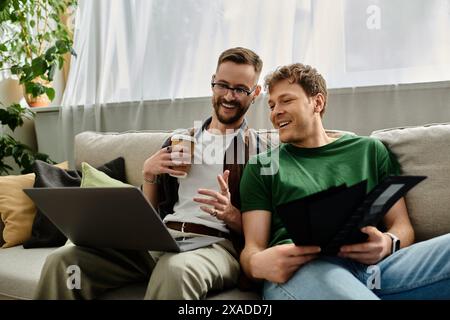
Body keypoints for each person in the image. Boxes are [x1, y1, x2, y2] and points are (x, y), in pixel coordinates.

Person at [34, 47, 271, 299]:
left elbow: (270, 230)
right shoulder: (179, 140)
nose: (229, 96)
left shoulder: (260, 152)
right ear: (212, 82)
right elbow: (150, 212)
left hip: (215, 246)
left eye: (240, 89)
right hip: (162, 240)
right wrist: (148, 174)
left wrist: (233, 214)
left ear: (255, 92)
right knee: (64, 261)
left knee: (175, 271)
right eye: (222, 85)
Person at [239, 63, 450, 300]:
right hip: (305, 269)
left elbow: (402, 226)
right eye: (271, 105)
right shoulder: (263, 165)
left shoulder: (369, 150)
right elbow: (252, 248)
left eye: (286, 101)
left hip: (379, 269)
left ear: (317, 103)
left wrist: (387, 243)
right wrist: (257, 264)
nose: (275, 111)